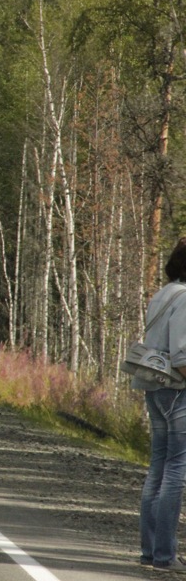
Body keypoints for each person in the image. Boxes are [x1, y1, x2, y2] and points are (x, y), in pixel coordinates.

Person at [138, 238, 186, 572]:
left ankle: (151, 551)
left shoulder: (163, 293)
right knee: (176, 469)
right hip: (177, 390)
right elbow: (182, 354)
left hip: (153, 387)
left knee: (158, 466)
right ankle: (165, 556)